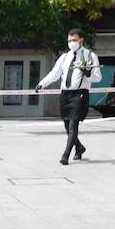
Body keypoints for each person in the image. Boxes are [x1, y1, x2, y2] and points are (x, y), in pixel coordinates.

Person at [36, 28, 102, 166]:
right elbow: (55, 73)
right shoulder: (65, 57)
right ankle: (79, 147)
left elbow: (98, 77)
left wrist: (87, 72)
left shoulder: (90, 55)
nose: (72, 43)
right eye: (70, 40)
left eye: (74, 40)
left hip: (80, 94)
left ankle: (65, 155)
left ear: (81, 40)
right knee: (67, 125)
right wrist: (42, 84)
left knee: (73, 125)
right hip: (65, 94)